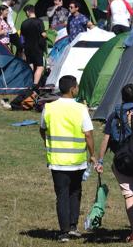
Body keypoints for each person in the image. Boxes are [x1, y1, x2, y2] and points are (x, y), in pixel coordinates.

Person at [39, 75, 96, 242]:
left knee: (62, 194)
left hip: (57, 159)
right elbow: (88, 134)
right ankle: (72, 226)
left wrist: (48, 142)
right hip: (77, 160)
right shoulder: (81, 108)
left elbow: (43, 129)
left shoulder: (49, 108)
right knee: (75, 192)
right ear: (73, 89)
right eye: (77, 86)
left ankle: (63, 232)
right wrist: (92, 154)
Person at [95, 83, 133, 243]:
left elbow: (106, 139)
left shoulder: (114, 115)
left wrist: (100, 160)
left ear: (122, 97)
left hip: (122, 160)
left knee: (129, 194)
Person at [21, 5, 47, 86]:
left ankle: (29, 83)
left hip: (27, 48)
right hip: (37, 47)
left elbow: (22, 37)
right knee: (40, 67)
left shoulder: (24, 23)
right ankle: (35, 85)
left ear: (28, 12)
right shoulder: (39, 22)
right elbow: (43, 34)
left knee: (30, 66)